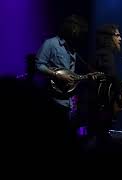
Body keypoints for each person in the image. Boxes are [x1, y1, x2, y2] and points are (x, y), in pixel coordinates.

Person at [34, 14, 88, 159]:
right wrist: (57, 75)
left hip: (68, 103)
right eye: (78, 30)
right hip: (52, 101)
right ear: (71, 28)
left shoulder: (73, 49)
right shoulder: (50, 43)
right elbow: (38, 65)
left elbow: (72, 75)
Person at [87, 24, 122, 148]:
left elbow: (109, 85)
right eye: (117, 35)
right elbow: (112, 75)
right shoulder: (106, 54)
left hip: (99, 108)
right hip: (97, 109)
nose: (120, 39)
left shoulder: (105, 54)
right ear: (108, 38)